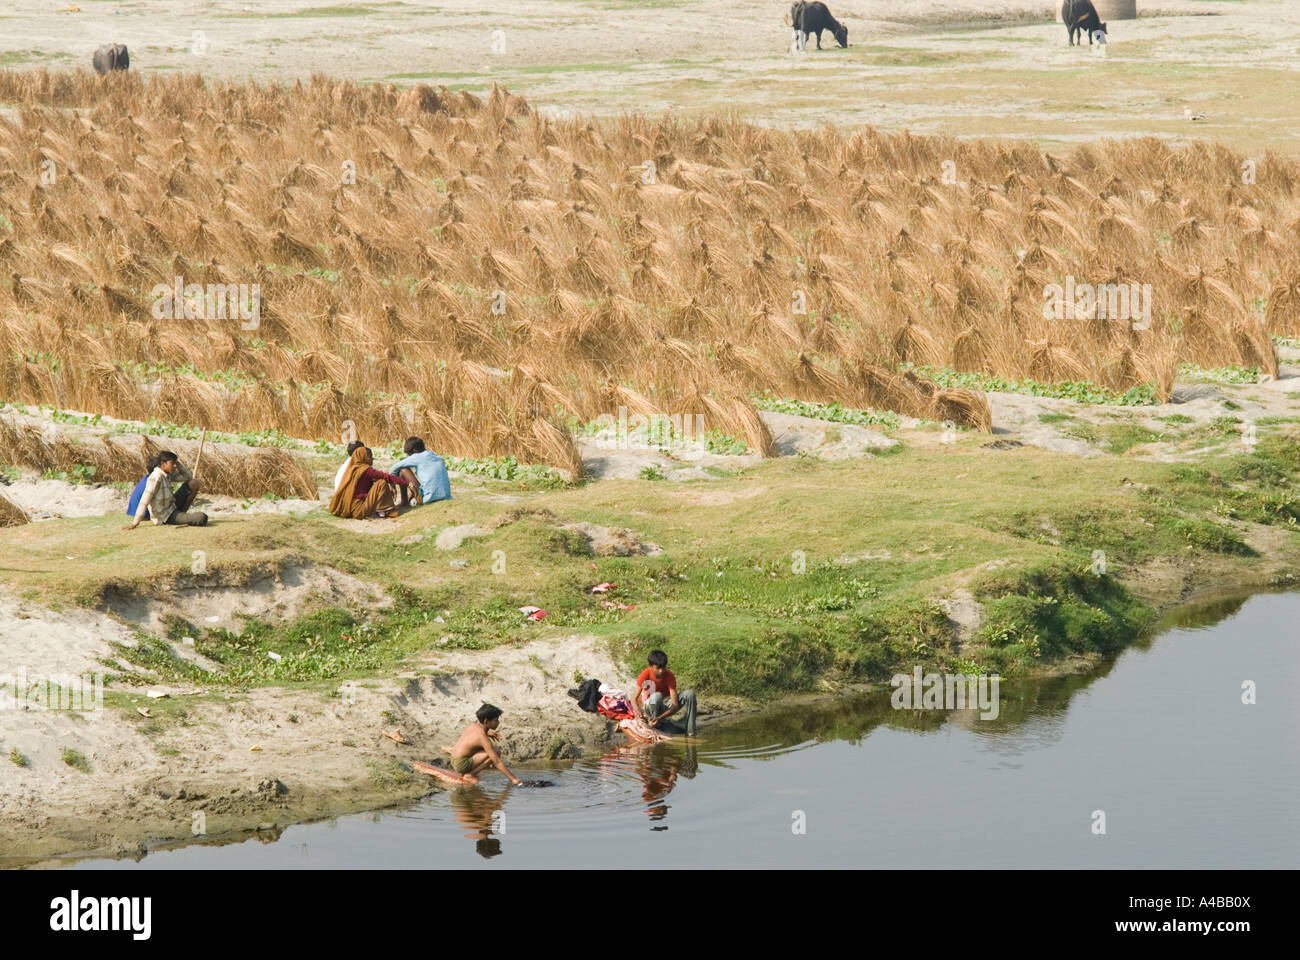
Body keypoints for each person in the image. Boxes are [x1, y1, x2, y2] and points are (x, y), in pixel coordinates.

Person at [122, 451, 206, 529]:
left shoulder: (167, 475)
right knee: (201, 517)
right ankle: (181, 517)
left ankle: (182, 514)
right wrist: (135, 523)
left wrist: (179, 464)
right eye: (172, 463)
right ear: (163, 464)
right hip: (165, 516)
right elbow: (144, 501)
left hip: (172, 507)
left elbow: (188, 477)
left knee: (194, 483)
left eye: (175, 463)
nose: (175, 466)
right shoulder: (155, 477)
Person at [446, 704, 524, 786]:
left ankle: (482, 767)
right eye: (496, 720)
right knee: (495, 752)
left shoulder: (473, 725)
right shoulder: (482, 738)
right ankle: (471, 775)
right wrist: (513, 779)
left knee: (491, 751)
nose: (498, 722)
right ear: (486, 721)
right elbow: (497, 761)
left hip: (454, 759)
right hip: (461, 765)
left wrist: (489, 733)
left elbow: (475, 735)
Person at [328, 445, 407, 520]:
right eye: (370, 457)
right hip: (360, 510)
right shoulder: (365, 470)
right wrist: (407, 483)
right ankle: (386, 511)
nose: (372, 459)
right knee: (381, 483)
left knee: (378, 481)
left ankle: (382, 510)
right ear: (364, 457)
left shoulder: (353, 469)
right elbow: (386, 477)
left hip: (352, 509)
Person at [633, 649, 698, 737]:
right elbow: (633, 699)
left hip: (664, 705)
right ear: (650, 666)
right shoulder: (645, 674)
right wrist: (637, 711)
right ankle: (653, 723)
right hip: (651, 705)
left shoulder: (669, 675)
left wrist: (660, 717)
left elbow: (675, 705)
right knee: (657, 696)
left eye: (663, 667)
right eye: (658, 668)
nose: (661, 671)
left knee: (690, 694)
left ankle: (691, 732)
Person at [388, 435, 451, 508]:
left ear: (413, 451)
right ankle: (408, 500)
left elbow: (393, 468)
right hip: (445, 495)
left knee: (403, 470)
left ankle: (404, 502)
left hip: (428, 499)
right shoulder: (433, 455)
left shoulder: (417, 457)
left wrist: (392, 486)